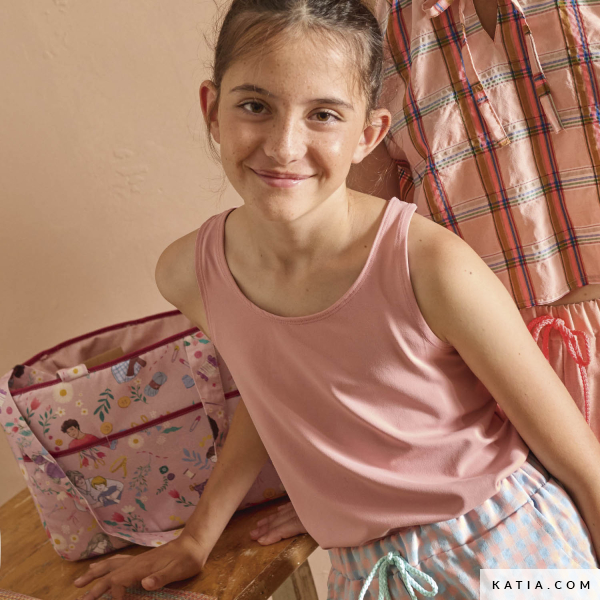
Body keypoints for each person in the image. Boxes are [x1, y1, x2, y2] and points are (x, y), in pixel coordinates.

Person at [73, 1, 600, 599]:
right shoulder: (188, 274)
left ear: (368, 135)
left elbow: (581, 463)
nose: (284, 146)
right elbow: (274, 394)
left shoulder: (431, 263)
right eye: (255, 106)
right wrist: (197, 537)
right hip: (367, 577)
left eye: (323, 114)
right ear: (212, 111)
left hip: (513, 551)